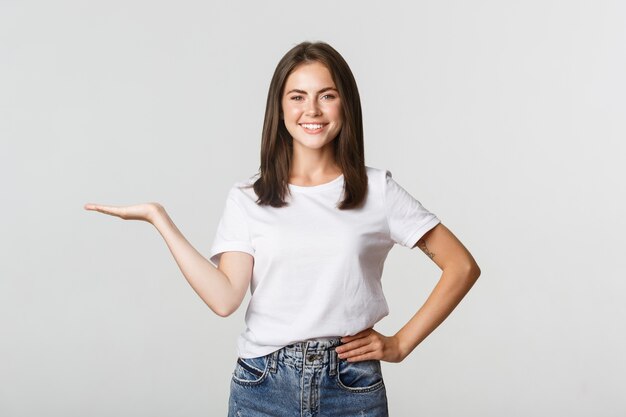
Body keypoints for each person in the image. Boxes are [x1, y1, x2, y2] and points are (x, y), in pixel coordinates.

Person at [84, 41, 480, 417]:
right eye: (298, 97)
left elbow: (461, 266)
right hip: (262, 385)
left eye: (327, 95)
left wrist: (400, 344)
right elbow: (225, 299)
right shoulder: (247, 198)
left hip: (349, 385)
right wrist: (160, 219)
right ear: (280, 107)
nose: (312, 110)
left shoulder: (376, 190)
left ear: (346, 104)